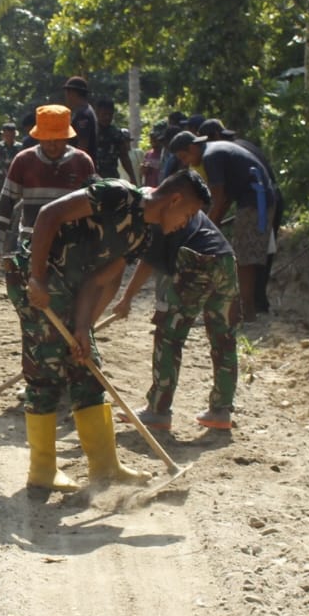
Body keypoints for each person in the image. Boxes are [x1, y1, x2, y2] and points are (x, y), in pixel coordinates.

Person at [5, 176, 187, 489]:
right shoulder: (118, 194)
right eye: (189, 213)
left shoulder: (144, 236)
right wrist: (37, 278)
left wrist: (83, 328)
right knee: (47, 370)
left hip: (73, 289)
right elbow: (49, 214)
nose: (186, 222)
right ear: (175, 200)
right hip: (38, 278)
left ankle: (105, 468)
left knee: (87, 369)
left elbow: (100, 281)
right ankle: (42, 471)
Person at [112, 169, 239, 432]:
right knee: (224, 338)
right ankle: (221, 410)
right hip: (226, 259)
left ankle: (158, 410)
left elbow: (147, 262)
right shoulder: (166, 207)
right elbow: (150, 259)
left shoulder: (159, 212)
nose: (187, 220)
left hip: (197, 260)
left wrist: (127, 297)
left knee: (169, 335)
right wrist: (127, 298)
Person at [168, 131, 272, 324]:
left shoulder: (211, 157)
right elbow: (224, 200)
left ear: (192, 148)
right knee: (243, 255)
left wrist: (205, 229)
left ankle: (247, 312)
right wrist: (212, 225)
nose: (184, 162)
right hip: (251, 200)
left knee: (245, 258)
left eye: (184, 157)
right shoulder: (214, 152)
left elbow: (219, 199)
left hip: (256, 202)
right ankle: (243, 310)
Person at [0, 105, 96, 269]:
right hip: (31, 245)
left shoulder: (82, 162)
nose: (52, 145)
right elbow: (5, 204)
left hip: (72, 247)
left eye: (57, 139)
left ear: (66, 137)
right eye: (47, 139)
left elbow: (94, 208)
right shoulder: (23, 161)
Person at [201, 119, 282, 315]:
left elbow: (222, 198)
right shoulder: (237, 147)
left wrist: (209, 226)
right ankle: (257, 303)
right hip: (267, 198)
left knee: (250, 255)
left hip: (260, 201)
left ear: (213, 137)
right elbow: (227, 196)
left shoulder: (218, 153)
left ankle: (252, 306)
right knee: (259, 253)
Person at [92, 98, 134, 181]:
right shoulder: (90, 131)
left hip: (111, 178)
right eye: (104, 114)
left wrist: (132, 177)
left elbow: (124, 157)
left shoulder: (116, 134)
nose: (107, 117)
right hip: (92, 177)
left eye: (110, 114)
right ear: (97, 112)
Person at [62, 76, 99, 158]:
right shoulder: (86, 110)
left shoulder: (83, 114)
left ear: (73, 93)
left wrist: (77, 161)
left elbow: (82, 143)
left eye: (67, 92)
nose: (66, 96)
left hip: (81, 162)